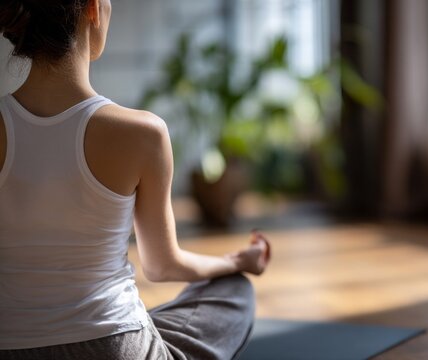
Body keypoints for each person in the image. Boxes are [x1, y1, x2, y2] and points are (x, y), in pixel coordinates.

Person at [0, 0, 271, 359]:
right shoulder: (143, 132)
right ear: (94, 9)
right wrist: (237, 262)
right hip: (117, 348)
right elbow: (162, 266)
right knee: (234, 290)